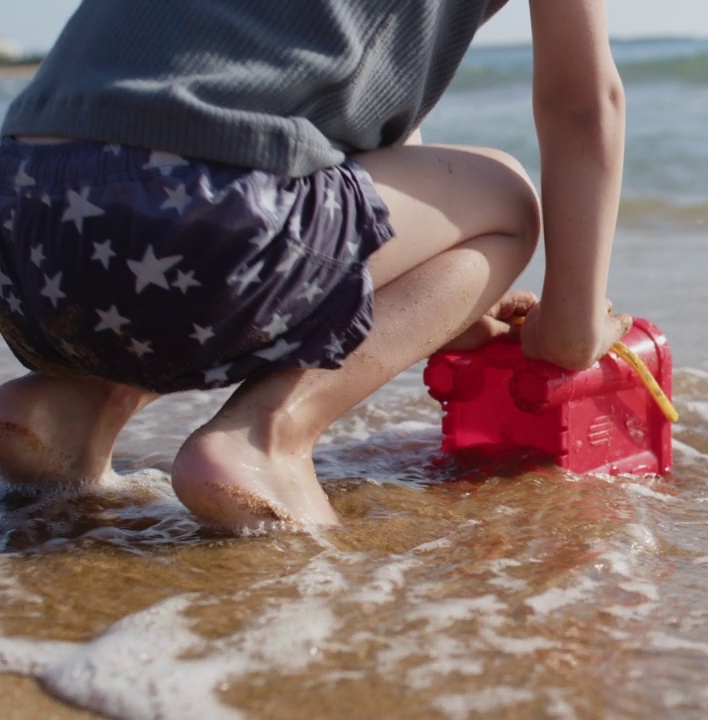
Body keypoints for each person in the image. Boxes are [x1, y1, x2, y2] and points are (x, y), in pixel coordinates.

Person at [0, 0, 629, 528]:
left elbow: (357, 136)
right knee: (507, 197)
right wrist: (571, 328)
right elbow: (581, 103)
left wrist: (443, 290)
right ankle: (267, 437)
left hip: (24, 231)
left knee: (177, 205)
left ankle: (73, 403)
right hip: (196, 226)